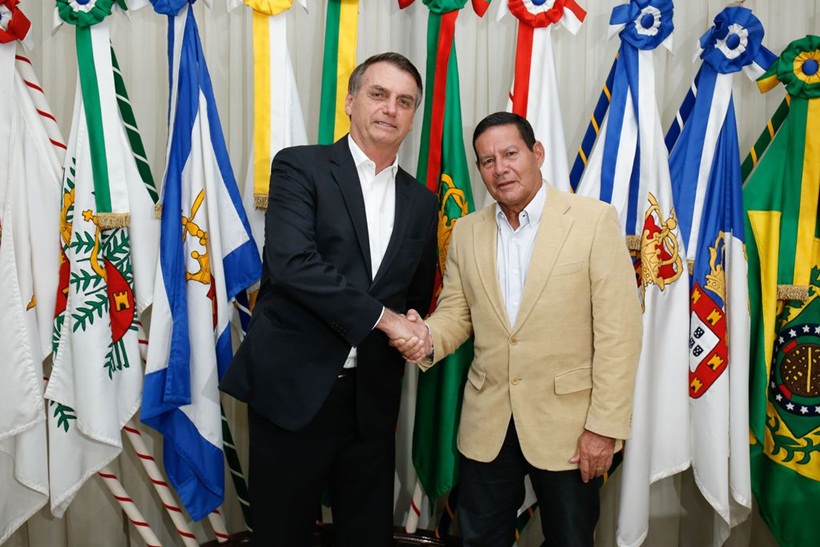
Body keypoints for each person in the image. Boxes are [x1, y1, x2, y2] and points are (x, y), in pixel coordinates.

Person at [395, 112, 643, 546]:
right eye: (487, 161)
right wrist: (426, 336)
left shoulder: (593, 221)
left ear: (537, 153)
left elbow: (619, 334)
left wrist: (604, 427)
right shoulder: (467, 232)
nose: (500, 168)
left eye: (510, 153)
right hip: (487, 423)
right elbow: (457, 312)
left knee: (570, 539)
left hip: (570, 428)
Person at [220, 52, 436, 547]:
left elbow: (413, 293)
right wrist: (389, 321)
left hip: (371, 403)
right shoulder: (300, 166)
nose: (391, 109)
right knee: (282, 536)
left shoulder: (422, 201)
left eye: (405, 102)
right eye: (378, 94)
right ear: (350, 101)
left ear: (412, 117)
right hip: (293, 392)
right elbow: (293, 264)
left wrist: (411, 322)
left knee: (367, 536)